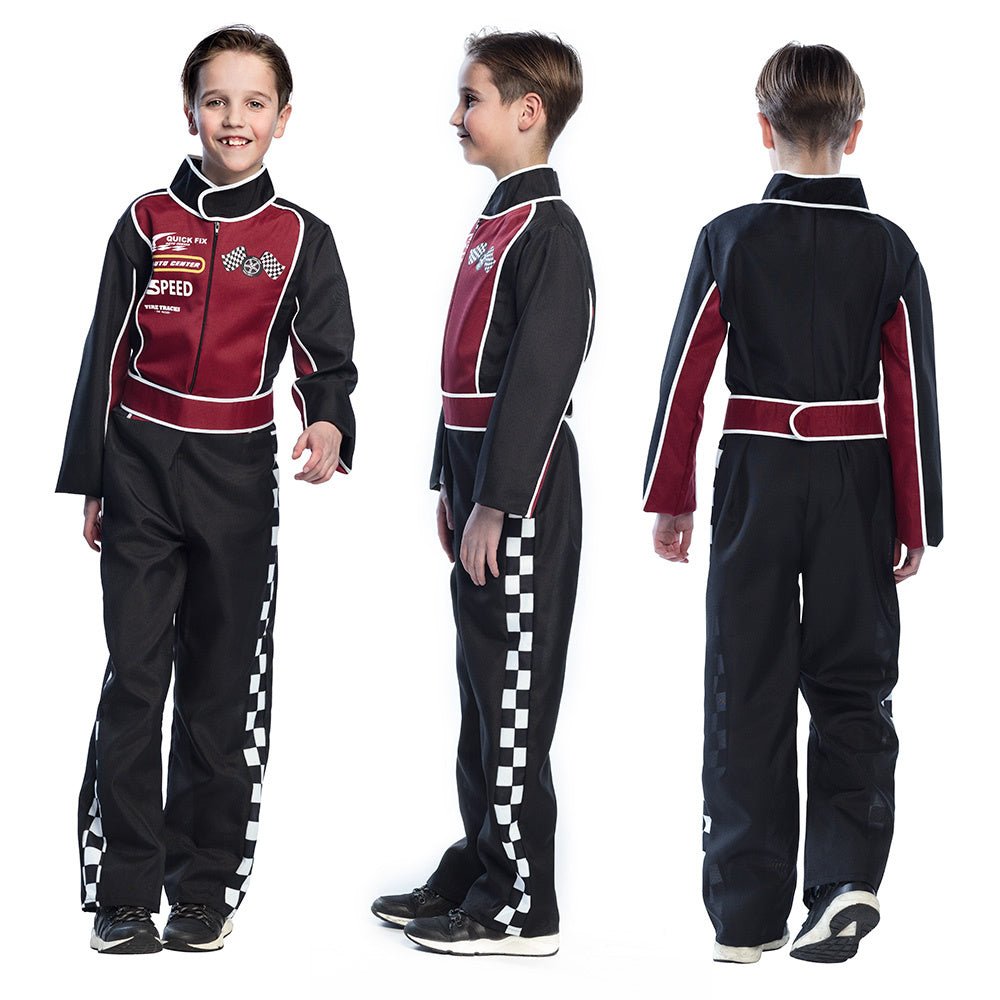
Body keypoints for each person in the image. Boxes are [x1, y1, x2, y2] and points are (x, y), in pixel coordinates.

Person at [57, 24, 357, 954]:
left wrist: (327, 421)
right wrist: (92, 479)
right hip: (140, 467)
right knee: (136, 679)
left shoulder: (301, 237)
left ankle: (203, 888)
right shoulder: (145, 221)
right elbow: (104, 353)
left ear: (283, 118)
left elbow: (329, 360)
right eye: (216, 100)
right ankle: (121, 892)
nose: (234, 118)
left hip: (237, 479)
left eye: (254, 102)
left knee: (224, 688)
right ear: (188, 111)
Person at [643, 42, 942, 964]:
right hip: (856, 481)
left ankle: (744, 917)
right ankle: (845, 881)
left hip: (758, 474)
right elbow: (911, 392)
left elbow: (686, 375)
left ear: (763, 127)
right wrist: (915, 517)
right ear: (855, 132)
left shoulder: (728, 237)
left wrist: (671, 494)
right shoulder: (890, 247)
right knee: (855, 682)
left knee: (746, 682)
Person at [371, 30, 594, 957]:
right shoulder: (495, 221)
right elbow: (461, 362)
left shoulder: (550, 230)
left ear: (526, 112)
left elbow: (539, 379)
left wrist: (498, 502)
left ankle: (522, 904)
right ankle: (484, 858)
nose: (456, 116)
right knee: (481, 688)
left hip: (522, 486)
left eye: (471, 99)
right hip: (473, 475)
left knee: (513, 696)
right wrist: (447, 483)